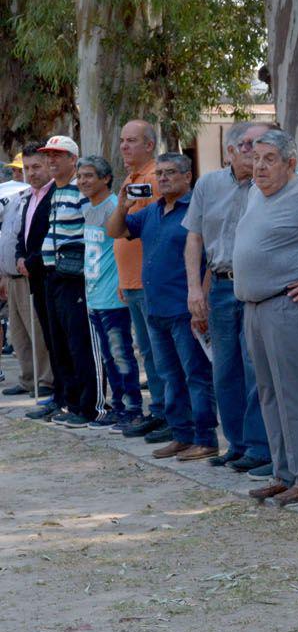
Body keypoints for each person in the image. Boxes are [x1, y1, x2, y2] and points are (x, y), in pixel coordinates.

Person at [236, 129, 298, 507]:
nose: (259, 165)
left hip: (284, 304)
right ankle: (285, 472)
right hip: (253, 305)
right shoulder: (254, 195)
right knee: (269, 393)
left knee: (295, 392)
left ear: (291, 163)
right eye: (255, 157)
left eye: (269, 158)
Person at [107, 153, 219, 460]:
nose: (164, 178)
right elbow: (116, 231)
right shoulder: (152, 211)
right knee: (170, 376)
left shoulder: (197, 211)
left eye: (171, 172)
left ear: (187, 177)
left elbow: (211, 258)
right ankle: (181, 434)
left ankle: (206, 437)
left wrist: (202, 298)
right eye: (160, 173)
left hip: (185, 309)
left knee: (195, 375)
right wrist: (121, 207)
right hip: (155, 310)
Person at [183, 121, 273, 472]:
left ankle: (260, 447)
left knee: (255, 370)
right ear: (231, 151)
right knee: (224, 370)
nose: (255, 152)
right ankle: (235, 443)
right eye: (249, 145)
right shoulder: (208, 184)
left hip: (256, 287)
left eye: (261, 146)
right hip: (220, 287)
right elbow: (194, 239)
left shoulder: (269, 186)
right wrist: (194, 289)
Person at [35, 135, 99, 427]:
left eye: (58, 155)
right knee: (59, 343)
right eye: (48, 155)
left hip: (74, 278)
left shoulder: (79, 190)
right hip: (53, 276)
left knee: (78, 342)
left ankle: (88, 406)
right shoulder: (57, 191)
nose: (51, 160)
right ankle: (69, 401)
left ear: (73, 159)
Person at [78, 156, 142, 429]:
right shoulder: (88, 208)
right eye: (80, 176)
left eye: (89, 176)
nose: (83, 181)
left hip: (112, 297)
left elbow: (125, 247)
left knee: (121, 354)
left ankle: (132, 408)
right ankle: (117, 406)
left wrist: (122, 281)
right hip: (94, 296)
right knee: (108, 356)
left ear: (105, 179)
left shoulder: (114, 207)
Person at [115, 119, 168, 439]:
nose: (124, 146)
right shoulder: (132, 178)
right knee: (148, 351)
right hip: (132, 283)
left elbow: (152, 229)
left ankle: (167, 413)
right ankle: (159, 408)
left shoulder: (154, 178)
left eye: (131, 141)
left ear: (149, 145)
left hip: (150, 283)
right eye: (122, 140)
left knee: (160, 352)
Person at [2, 146, 53, 398]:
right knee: (19, 333)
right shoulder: (20, 197)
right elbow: (14, 234)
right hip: (11, 274)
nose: (27, 173)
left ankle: (45, 380)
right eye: (24, 169)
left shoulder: (48, 194)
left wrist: (26, 261)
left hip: (30, 275)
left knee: (37, 330)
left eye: (35, 167)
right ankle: (27, 377)